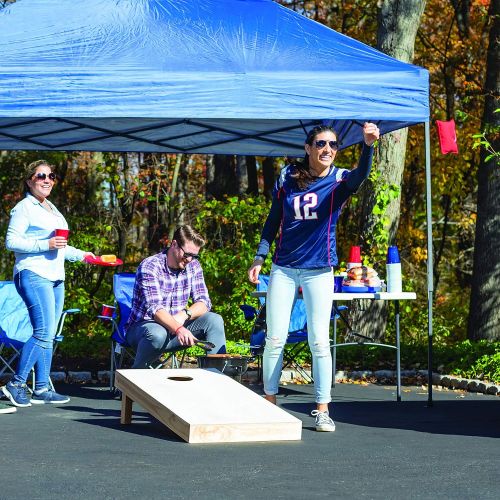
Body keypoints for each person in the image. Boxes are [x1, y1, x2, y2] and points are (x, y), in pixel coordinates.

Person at [248, 122, 380, 432]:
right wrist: (259, 257)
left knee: (319, 341)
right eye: (321, 144)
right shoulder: (288, 177)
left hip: (320, 270)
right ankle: (269, 401)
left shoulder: (339, 179)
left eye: (333, 145)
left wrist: (368, 146)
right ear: (308, 148)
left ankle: (322, 408)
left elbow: (360, 176)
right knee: (275, 338)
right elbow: (273, 219)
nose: (328, 150)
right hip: (284, 267)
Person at [2, 160, 94, 407]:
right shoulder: (24, 208)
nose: (47, 180)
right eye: (40, 175)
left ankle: (42, 387)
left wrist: (85, 256)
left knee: (49, 335)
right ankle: (16, 383)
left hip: (55, 277)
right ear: (29, 180)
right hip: (33, 274)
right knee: (42, 332)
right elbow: (11, 242)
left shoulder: (51, 208)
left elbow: (61, 247)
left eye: (51, 175)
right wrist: (45, 245)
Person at [125, 225, 226, 368]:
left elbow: (204, 302)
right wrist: (178, 328)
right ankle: (133, 382)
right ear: (174, 244)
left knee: (214, 320)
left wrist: (185, 314)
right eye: (187, 254)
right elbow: (155, 309)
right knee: (157, 334)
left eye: (194, 256)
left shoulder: (194, 266)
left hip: (177, 328)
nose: (190, 259)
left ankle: (217, 377)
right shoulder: (150, 266)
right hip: (144, 330)